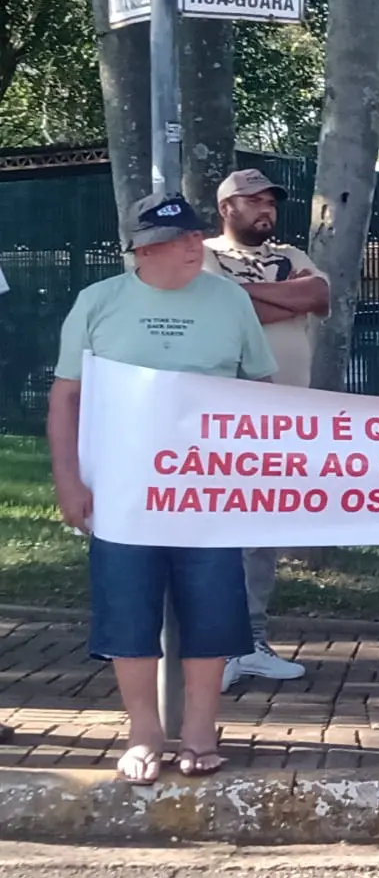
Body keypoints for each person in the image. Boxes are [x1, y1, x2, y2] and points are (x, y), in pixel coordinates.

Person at [48, 193, 277, 783]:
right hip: (123, 494)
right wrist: (68, 479)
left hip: (210, 493)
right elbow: (65, 398)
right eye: (181, 241)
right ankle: (144, 733)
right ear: (144, 250)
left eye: (197, 236)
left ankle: (201, 730)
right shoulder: (98, 303)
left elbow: (261, 390)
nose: (195, 246)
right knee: (129, 609)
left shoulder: (230, 300)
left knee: (212, 607)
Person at [203, 168, 321, 692]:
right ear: (228, 206)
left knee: (261, 531)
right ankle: (215, 642)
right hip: (225, 416)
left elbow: (317, 296)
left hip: (285, 417)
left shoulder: (295, 255)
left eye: (271, 201)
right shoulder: (203, 254)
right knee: (220, 528)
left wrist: (252, 295)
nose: (266, 209)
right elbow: (222, 306)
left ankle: (251, 640)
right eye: (255, 201)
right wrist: (276, 296)